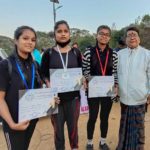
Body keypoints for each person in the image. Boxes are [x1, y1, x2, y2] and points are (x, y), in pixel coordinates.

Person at [41, 20, 82, 150]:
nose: (63, 34)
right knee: (58, 131)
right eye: (59, 31)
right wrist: (48, 84)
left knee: (73, 128)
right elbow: (43, 74)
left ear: (69, 34)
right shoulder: (48, 53)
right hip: (55, 100)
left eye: (65, 31)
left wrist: (83, 81)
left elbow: (81, 72)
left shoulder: (76, 53)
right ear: (55, 34)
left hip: (73, 99)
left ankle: (74, 147)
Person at [0, 26, 42, 150]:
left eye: (33, 40)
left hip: (30, 120)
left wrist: (50, 100)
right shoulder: (5, 65)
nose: (30, 42)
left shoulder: (34, 65)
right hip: (13, 121)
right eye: (25, 38)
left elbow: (37, 91)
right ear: (16, 41)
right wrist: (12, 124)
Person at [82, 25, 118, 150]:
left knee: (104, 117)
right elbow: (85, 70)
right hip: (93, 90)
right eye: (101, 33)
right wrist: (88, 79)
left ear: (109, 38)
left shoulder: (113, 53)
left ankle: (102, 142)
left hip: (108, 90)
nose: (104, 36)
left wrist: (116, 86)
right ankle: (90, 142)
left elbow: (115, 72)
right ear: (96, 35)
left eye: (107, 34)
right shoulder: (88, 51)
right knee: (92, 117)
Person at [116, 26, 150, 150]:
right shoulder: (119, 55)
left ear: (139, 39)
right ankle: (123, 146)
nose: (132, 37)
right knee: (124, 125)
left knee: (138, 127)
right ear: (125, 39)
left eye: (134, 34)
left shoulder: (147, 54)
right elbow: (114, 74)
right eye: (129, 35)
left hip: (140, 98)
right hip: (124, 97)